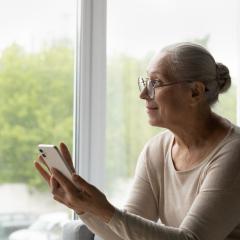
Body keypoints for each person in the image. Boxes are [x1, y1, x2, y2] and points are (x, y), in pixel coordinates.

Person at [35, 42, 240, 240]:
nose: (143, 94)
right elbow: (125, 235)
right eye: (145, 82)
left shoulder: (233, 152)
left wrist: (104, 209)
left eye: (155, 83)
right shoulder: (156, 150)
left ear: (194, 92)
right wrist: (82, 206)